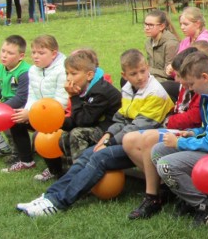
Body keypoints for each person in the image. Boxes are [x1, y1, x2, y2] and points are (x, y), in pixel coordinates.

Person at [16, 49, 174, 217]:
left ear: (147, 67)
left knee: (99, 157)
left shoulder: (154, 92)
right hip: (128, 140)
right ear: (124, 75)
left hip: (144, 145)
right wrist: (108, 135)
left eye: (143, 71)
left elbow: (137, 127)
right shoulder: (129, 87)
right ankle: (49, 196)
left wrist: (109, 142)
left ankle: (58, 202)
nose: (140, 77)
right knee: (86, 156)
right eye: (134, 73)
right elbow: (121, 118)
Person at [148, 51, 208, 223]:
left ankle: (203, 207)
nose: (190, 89)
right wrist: (193, 133)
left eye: (191, 84)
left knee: (165, 165)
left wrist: (180, 142)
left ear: (204, 77)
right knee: (157, 151)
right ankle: (187, 198)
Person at [121, 48, 205, 220]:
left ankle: (152, 197)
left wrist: (169, 121)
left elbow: (194, 117)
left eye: (180, 76)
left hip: (189, 131)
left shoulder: (199, 87)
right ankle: (166, 187)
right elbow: (179, 109)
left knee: (150, 138)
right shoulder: (184, 85)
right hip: (176, 126)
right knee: (128, 140)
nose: (177, 80)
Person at [5, 35, 68, 181]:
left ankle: (54, 169)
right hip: (40, 111)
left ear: (54, 53)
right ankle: (26, 161)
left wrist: (35, 114)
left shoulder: (62, 69)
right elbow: (32, 96)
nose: (35, 56)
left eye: (41, 53)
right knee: (16, 118)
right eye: (33, 52)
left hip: (59, 114)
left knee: (41, 134)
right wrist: (27, 111)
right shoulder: (33, 70)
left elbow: (62, 101)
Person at [60, 49, 122, 162]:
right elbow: (76, 118)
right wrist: (58, 121)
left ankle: (82, 169)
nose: (68, 78)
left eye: (73, 74)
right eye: (67, 73)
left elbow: (84, 120)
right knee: (64, 136)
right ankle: (67, 172)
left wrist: (74, 97)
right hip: (95, 124)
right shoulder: (85, 87)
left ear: (89, 75)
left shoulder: (100, 91)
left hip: (112, 130)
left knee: (77, 134)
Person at [144, 10, 180, 82]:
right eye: (145, 24)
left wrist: (147, 70)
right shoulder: (148, 42)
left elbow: (168, 74)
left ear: (161, 26)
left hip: (168, 81)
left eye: (151, 25)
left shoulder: (171, 44)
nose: (146, 28)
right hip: (153, 77)